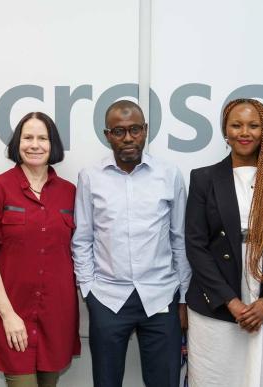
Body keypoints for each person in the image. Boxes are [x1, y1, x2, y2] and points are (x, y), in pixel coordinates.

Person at [184, 98, 263, 387]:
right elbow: (196, 244)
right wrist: (231, 302)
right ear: (225, 131)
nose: (245, 132)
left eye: (254, 125)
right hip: (216, 300)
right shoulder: (204, 178)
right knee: (216, 377)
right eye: (236, 125)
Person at [72, 100, 190, 387]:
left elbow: (180, 239)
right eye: (119, 131)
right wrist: (89, 290)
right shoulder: (90, 177)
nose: (127, 138)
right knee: (106, 382)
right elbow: (82, 238)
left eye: (134, 130)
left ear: (145, 131)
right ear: (107, 135)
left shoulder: (169, 174)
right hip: (108, 298)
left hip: (161, 297)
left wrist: (184, 297)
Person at [0, 112, 80, 387]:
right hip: (11, 311)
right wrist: (8, 315)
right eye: (27, 137)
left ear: (52, 144)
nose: (35, 144)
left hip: (56, 315)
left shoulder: (70, 192)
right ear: (17, 144)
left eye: (42, 138)